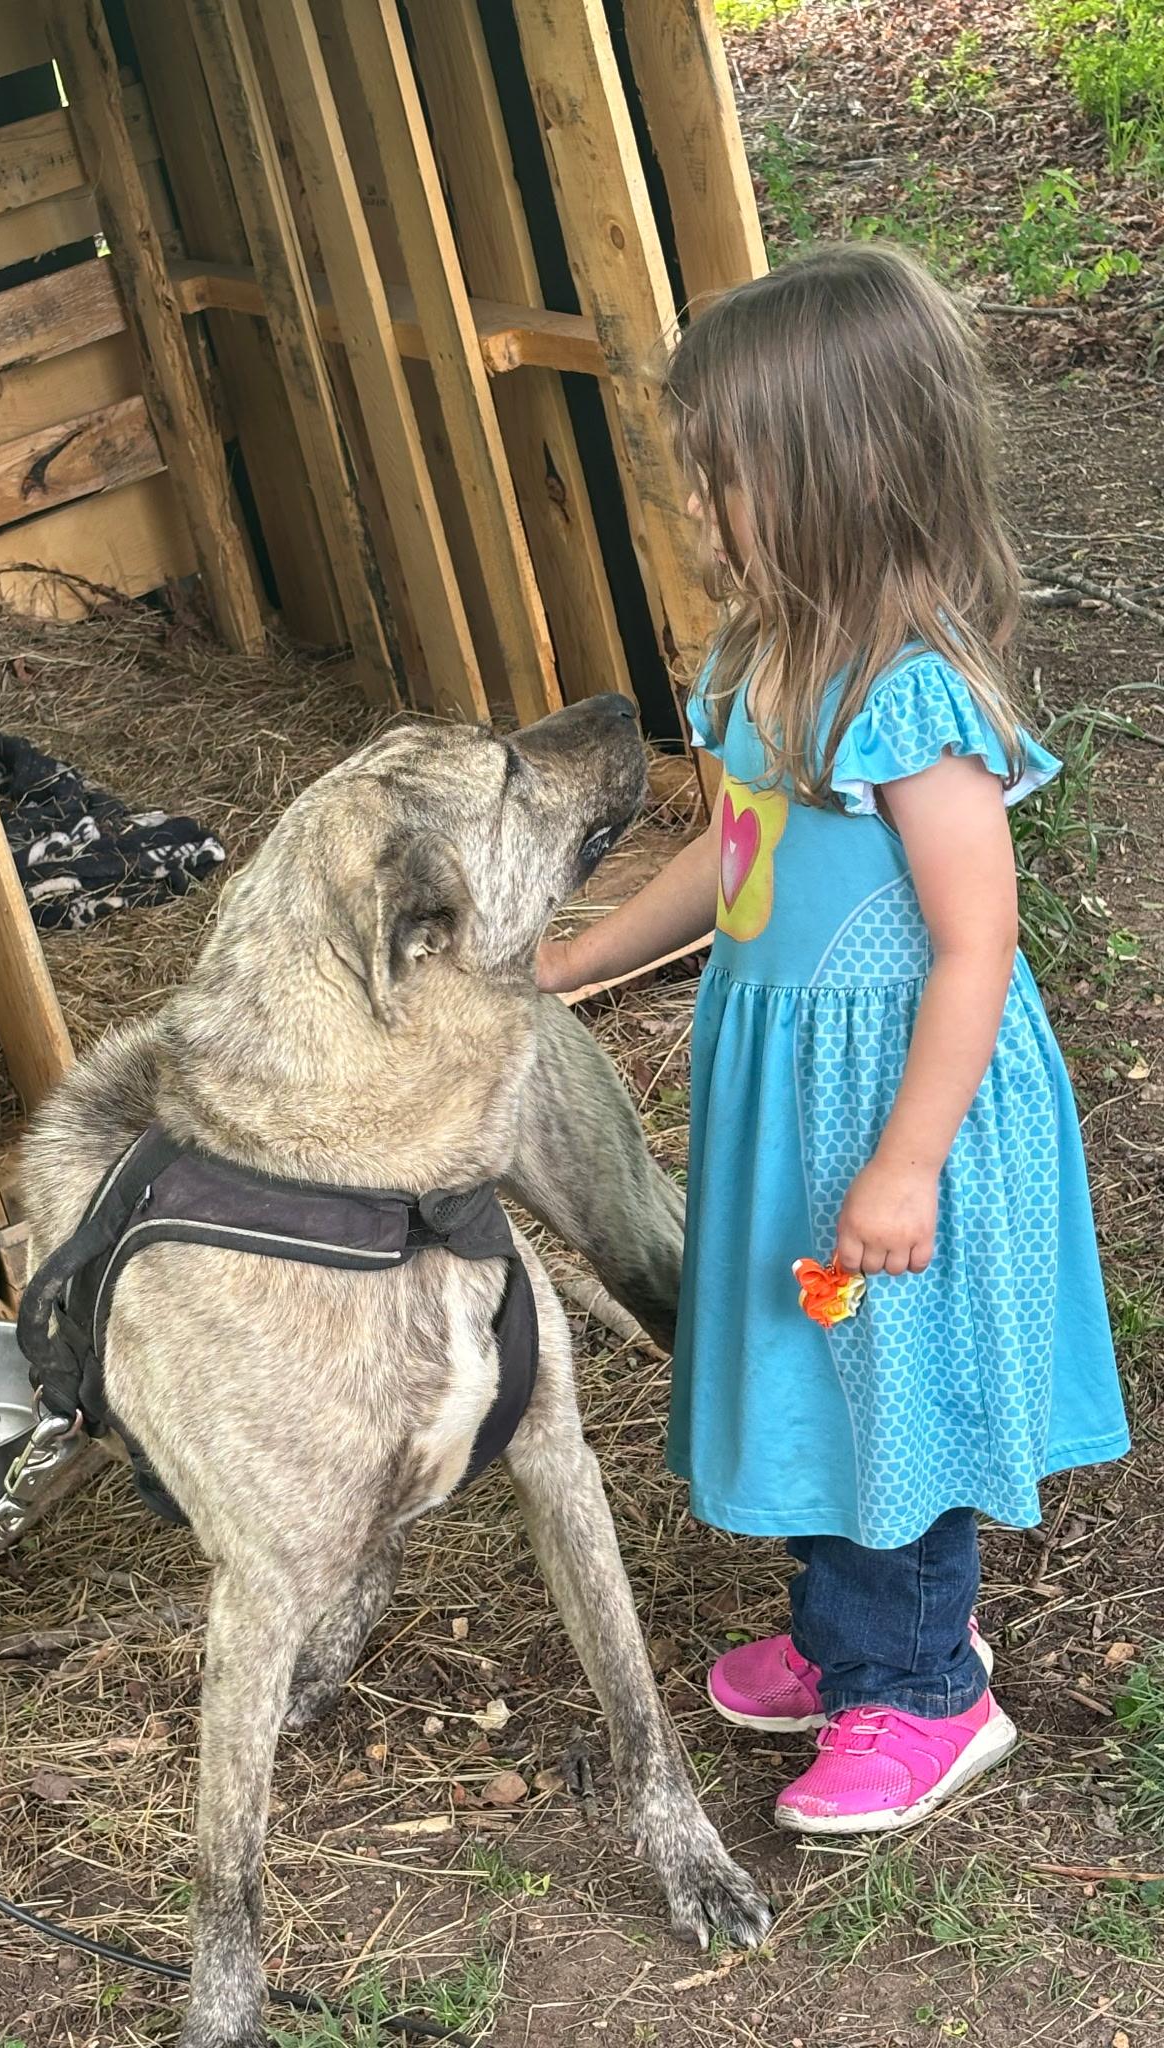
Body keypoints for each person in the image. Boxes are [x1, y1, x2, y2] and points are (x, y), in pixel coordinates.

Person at [538, 244, 1129, 1835]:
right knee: (808, 1358)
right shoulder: (753, 658)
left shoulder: (911, 702)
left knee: (894, 1376)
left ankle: (929, 1691)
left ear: (834, 474)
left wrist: (910, 1158)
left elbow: (975, 941)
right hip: (783, 1097)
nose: (694, 507)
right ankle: (854, 1628)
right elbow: (729, 862)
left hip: (895, 1101)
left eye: (717, 476)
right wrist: (580, 959)